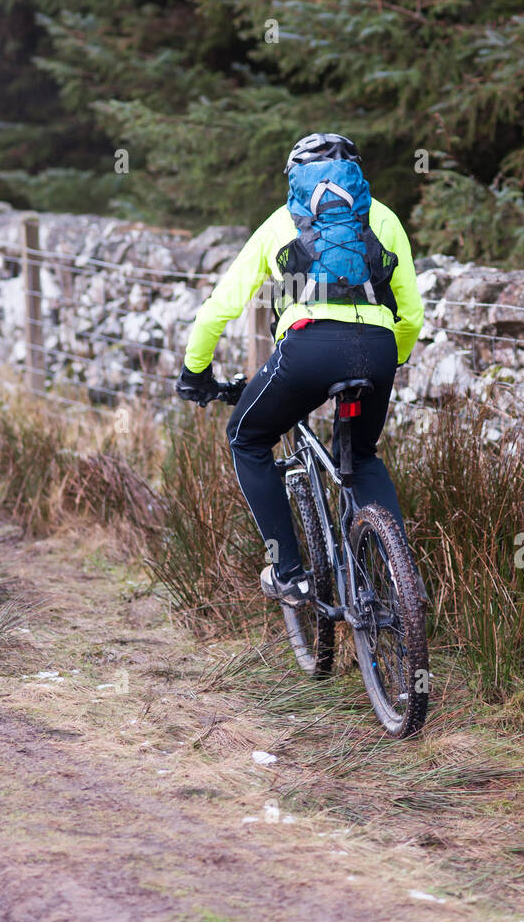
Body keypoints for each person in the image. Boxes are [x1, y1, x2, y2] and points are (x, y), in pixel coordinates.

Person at [176, 133, 424, 606]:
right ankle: (399, 582)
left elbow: (216, 312)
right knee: (362, 457)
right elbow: (411, 315)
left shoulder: (280, 222)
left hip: (308, 347)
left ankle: (289, 573)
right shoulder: (385, 218)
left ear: (294, 176)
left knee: (247, 438)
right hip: (376, 348)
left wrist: (196, 374)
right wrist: (392, 359)